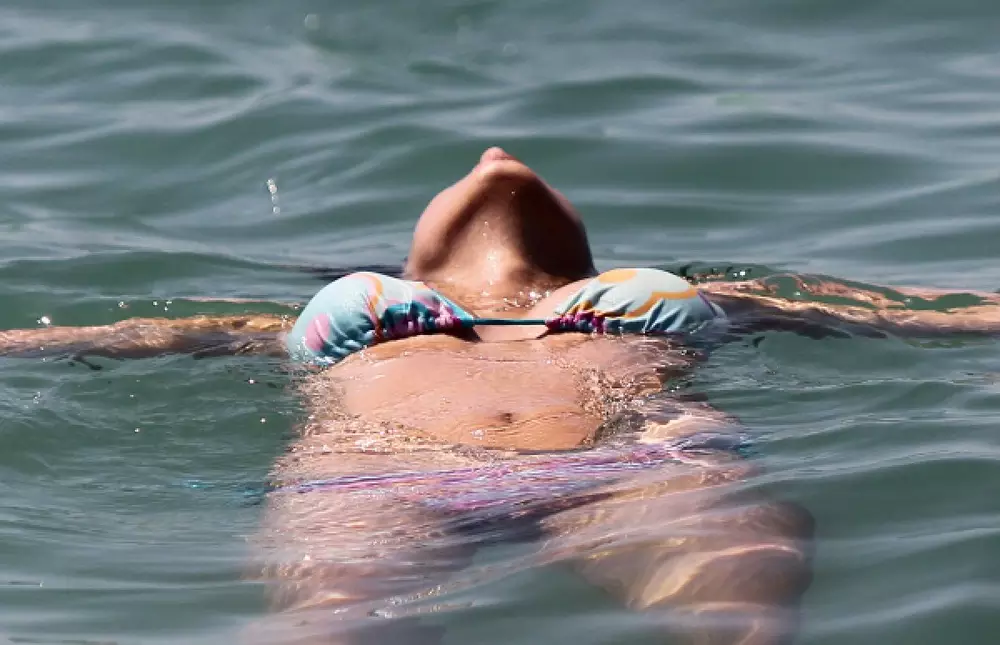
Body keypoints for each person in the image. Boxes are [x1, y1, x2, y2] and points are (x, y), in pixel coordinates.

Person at [3, 147, 999, 645]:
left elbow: (935, 315)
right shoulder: (283, 319)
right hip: (377, 479)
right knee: (328, 633)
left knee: (746, 626)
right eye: (471, 161)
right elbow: (114, 338)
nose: (493, 153)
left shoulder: (729, 299)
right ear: (399, 262)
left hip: (637, 466)